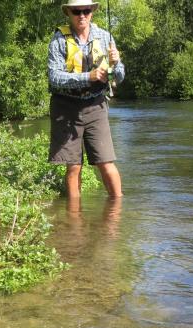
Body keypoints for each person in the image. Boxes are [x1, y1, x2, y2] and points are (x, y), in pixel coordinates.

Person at [47, 0, 125, 198]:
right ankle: (74, 219)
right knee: (73, 166)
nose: (81, 15)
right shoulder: (58, 40)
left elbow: (120, 76)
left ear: (92, 12)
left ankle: (117, 210)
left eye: (86, 11)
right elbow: (54, 77)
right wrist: (87, 76)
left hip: (95, 105)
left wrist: (115, 65)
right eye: (76, 11)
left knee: (106, 162)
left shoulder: (105, 37)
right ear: (68, 13)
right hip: (65, 108)